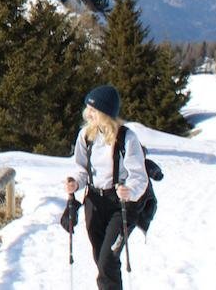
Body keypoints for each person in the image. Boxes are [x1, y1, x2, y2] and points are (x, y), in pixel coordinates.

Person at [64, 85, 148, 290]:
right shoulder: (86, 136)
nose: (88, 114)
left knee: (107, 260)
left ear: (106, 113)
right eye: (88, 109)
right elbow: (81, 169)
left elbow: (139, 176)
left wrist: (130, 190)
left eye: (93, 110)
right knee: (100, 259)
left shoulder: (127, 138)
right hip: (94, 202)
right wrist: (75, 182)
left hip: (121, 205)